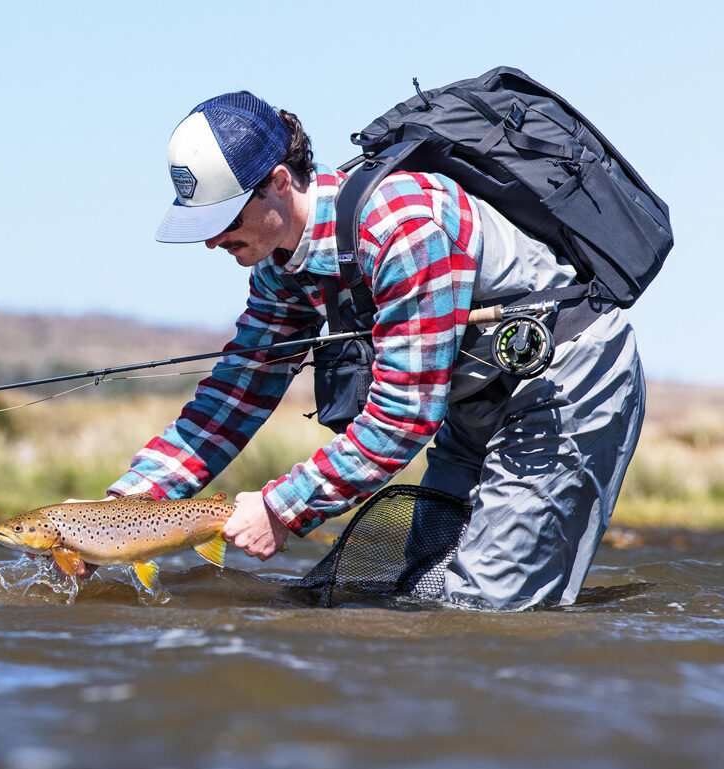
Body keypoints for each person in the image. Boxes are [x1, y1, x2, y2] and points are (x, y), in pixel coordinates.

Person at [100, 91, 645, 611]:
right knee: (425, 590)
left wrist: (281, 509)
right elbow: (233, 399)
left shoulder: (400, 228)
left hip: (567, 383)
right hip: (476, 403)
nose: (211, 241)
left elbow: (404, 417)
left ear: (278, 182)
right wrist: (120, 511)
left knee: (483, 605)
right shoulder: (278, 268)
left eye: (223, 219)